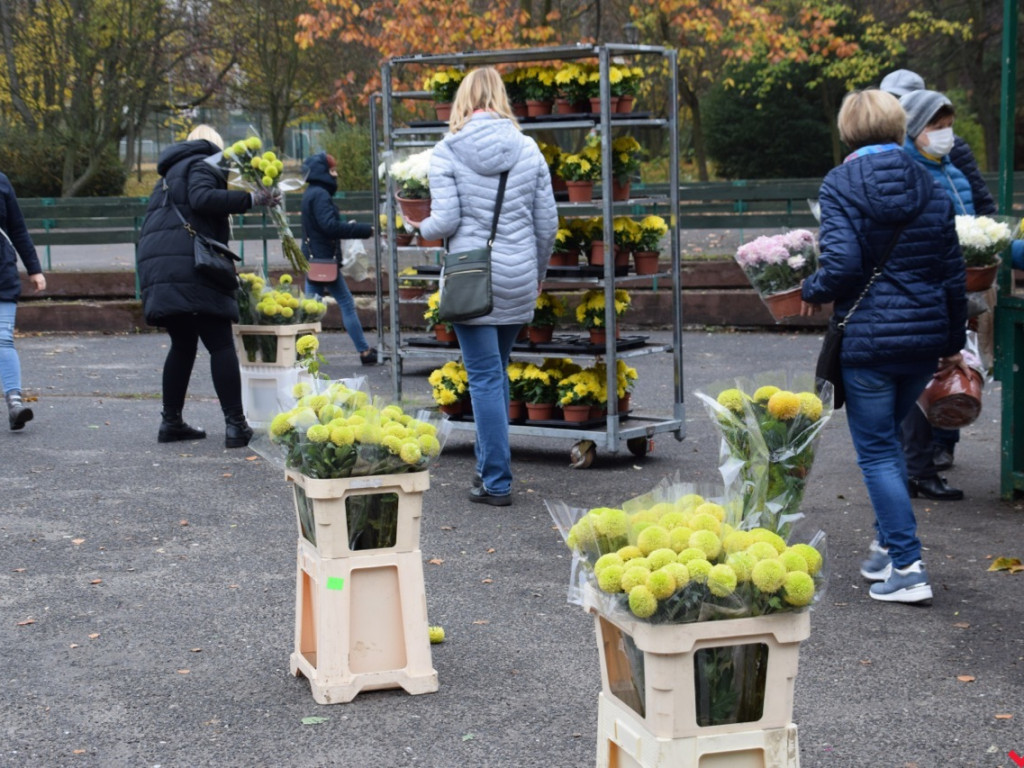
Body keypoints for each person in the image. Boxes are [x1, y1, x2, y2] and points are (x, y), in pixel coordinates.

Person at [801, 89, 966, 604]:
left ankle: (908, 566)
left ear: (848, 131)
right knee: (888, 442)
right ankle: (885, 548)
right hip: (922, 341)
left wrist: (810, 288)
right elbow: (953, 274)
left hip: (869, 341)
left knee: (874, 450)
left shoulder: (840, 183)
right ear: (899, 126)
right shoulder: (930, 181)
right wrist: (953, 341)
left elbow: (844, 266)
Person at [403, 67, 558, 506]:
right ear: (502, 97)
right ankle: (488, 470)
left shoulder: (447, 150)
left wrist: (418, 225)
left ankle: (496, 481)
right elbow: (548, 223)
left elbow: (446, 220)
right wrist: (539, 272)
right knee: (496, 374)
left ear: (464, 100)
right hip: (518, 277)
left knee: (485, 379)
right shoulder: (528, 150)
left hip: (472, 278)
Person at [136, 124, 279, 448]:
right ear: (217, 147)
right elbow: (202, 199)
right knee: (220, 343)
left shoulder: (167, 176)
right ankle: (236, 425)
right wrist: (252, 198)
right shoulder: (203, 164)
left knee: (183, 344)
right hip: (193, 266)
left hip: (160, 268)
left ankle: (170, 422)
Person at [897, 90, 982, 500]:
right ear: (914, 130)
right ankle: (917, 467)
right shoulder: (911, 174)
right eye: (936, 127)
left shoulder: (954, 172)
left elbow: (974, 224)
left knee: (946, 372)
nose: (945, 135)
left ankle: (926, 460)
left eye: (949, 127)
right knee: (919, 379)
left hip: (956, 285)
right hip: (927, 289)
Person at [299, 151, 377, 365]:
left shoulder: (311, 193)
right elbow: (329, 227)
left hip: (313, 259)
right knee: (346, 303)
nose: (336, 174)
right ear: (323, 172)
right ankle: (363, 351)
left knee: (310, 309)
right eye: (332, 170)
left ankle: (303, 354)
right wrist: (364, 230)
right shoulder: (321, 195)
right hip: (323, 261)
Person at [0, 171, 45, 430]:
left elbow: (17, 228)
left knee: (3, 338)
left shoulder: (2, 181)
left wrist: (34, 268)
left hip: (2, 272)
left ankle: (15, 403)